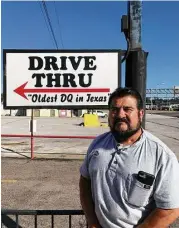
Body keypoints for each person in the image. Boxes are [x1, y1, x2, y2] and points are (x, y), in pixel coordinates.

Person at [79, 87, 179, 228]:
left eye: (127, 109)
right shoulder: (97, 144)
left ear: (140, 114)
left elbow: (170, 209)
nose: (120, 114)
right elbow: (85, 180)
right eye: (114, 109)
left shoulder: (161, 155)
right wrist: (92, 222)